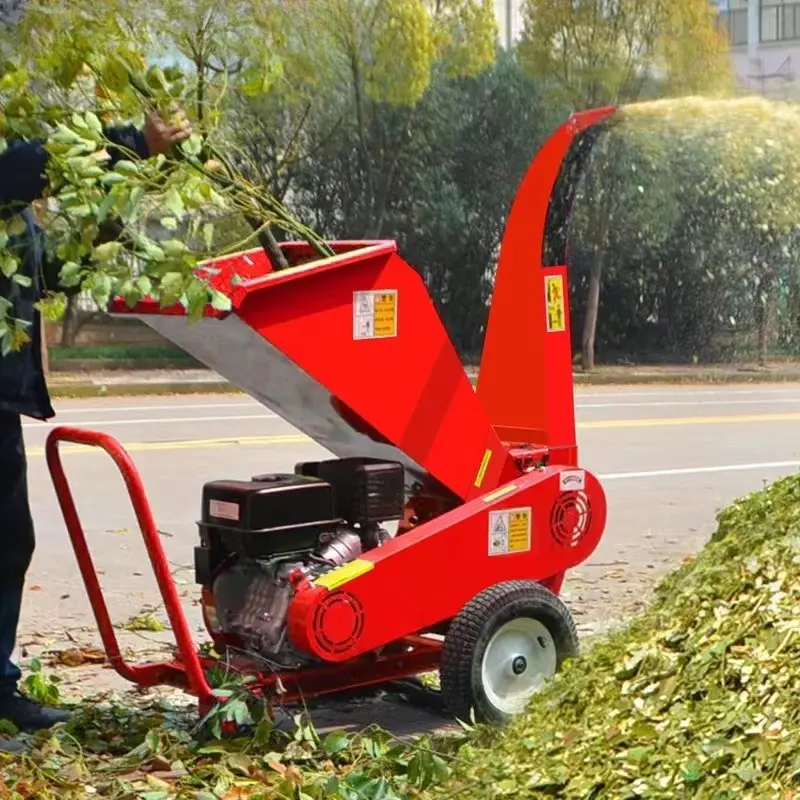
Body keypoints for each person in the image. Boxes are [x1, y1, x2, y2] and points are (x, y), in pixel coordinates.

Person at [0, 108, 192, 751]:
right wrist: (134, 145)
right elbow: (39, 161)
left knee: (8, 541)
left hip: (2, 399)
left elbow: (53, 271)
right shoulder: (10, 178)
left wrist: (110, 217)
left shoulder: (16, 213)